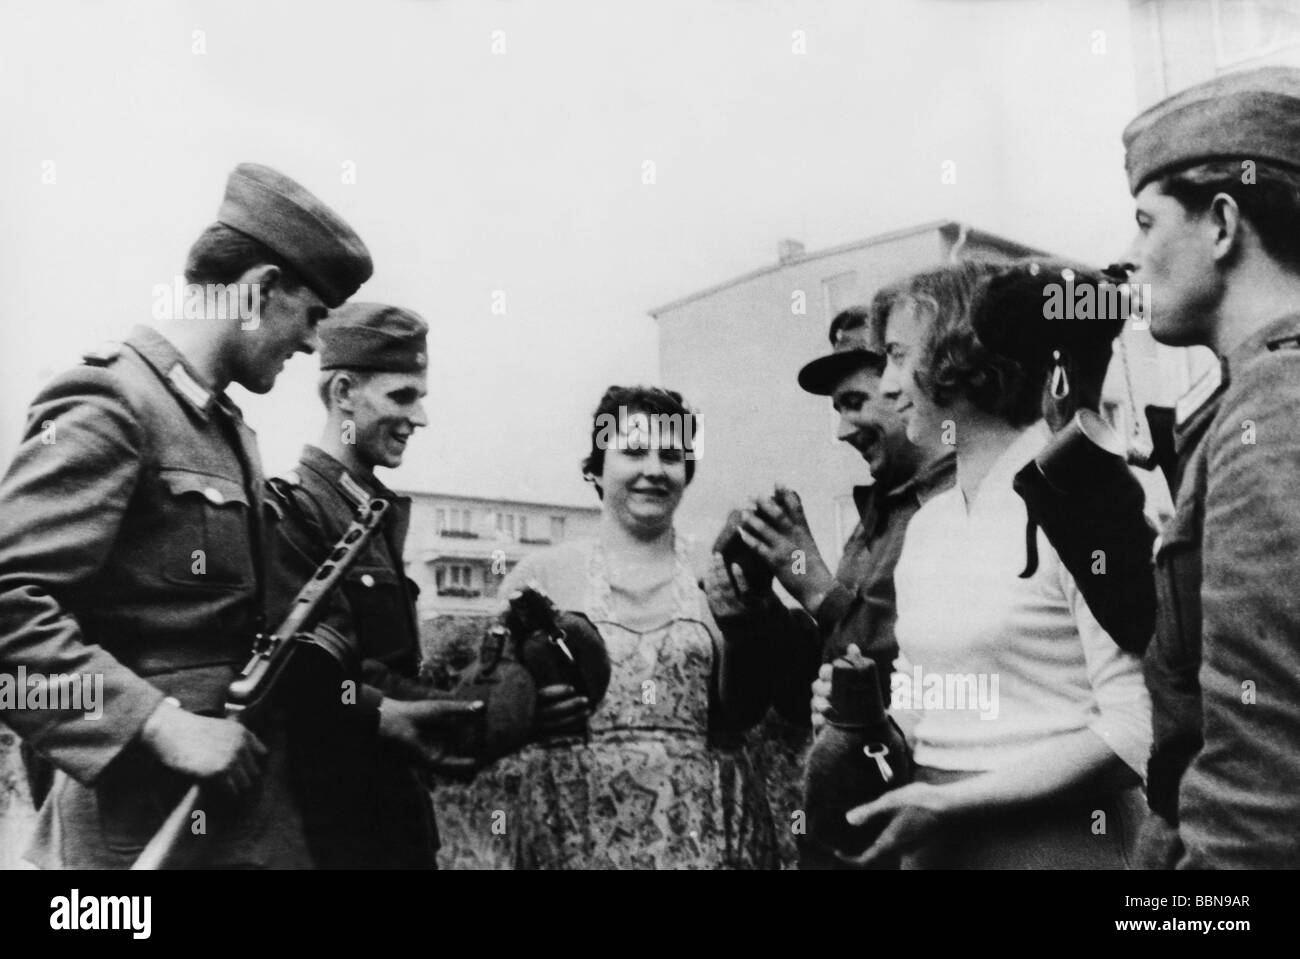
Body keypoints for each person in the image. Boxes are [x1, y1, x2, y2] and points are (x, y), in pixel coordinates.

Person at [0, 163, 372, 868]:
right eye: (313, 316)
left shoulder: (222, 427)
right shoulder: (112, 403)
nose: (313, 345)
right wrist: (156, 722)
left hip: (241, 821)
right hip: (141, 833)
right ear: (260, 289)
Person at [819, 262, 1152, 869]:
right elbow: (922, 713)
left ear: (968, 355)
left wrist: (956, 803)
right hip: (935, 849)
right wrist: (860, 722)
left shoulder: (1082, 504)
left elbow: (1136, 733)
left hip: (1058, 848)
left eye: (898, 356)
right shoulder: (928, 527)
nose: (888, 386)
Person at [436, 385, 777, 869]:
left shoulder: (716, 568)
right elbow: (487, 714)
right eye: (634, 451)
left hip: (706, 830)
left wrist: (744, 629)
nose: (654, 470)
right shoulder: (538, 578)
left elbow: (743, 714)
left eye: (672, 456)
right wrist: (530, 716)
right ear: (596, 467)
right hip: (573, 831)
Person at [1118, 66, 1300, 869]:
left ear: (1222, 223)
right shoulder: (1253, 399)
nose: (1134, 255)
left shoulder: (1275, 409)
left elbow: (1260, 797)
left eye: (1146, 222)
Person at [703, 305, 954, 868]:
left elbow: (918, 666)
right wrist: (757, 610)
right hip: (868, 813)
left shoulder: (957, 503)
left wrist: (815, 586)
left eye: (854, 403)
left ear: (910, 386)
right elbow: (813, 692)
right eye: (836, 409)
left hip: (939, 817)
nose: (841, 431)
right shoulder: (877, 514)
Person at [265, 302, 482, 869]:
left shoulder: (371, 512)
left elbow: (387, 669)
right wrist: (393, 713)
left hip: (397, 824)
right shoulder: (298, 510)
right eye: (403, 397)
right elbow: (301, 680)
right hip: (336, 835)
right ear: (342, 393)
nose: (421, 418)